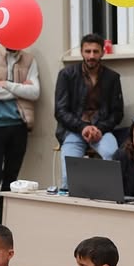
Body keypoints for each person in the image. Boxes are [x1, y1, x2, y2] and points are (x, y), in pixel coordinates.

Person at [0, 45, 40, 228]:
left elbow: (35, 92)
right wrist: (21, 89)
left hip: (19, 125)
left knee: (11, 179)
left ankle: (1, 225)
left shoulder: (29, 59)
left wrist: (7, 84)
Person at [55, 33, 124, 189]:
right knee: (68, 176)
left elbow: (117, 112)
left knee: (113, 158)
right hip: (73, 130)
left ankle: (111, 201)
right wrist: (82, 127)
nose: (91, 56)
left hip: (102, 130)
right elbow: (60, 111)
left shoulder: (112, 77)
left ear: (102, 52)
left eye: (95, 51)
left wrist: (100, 129)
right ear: (81, 52)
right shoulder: (67, 75)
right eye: (87, 51)